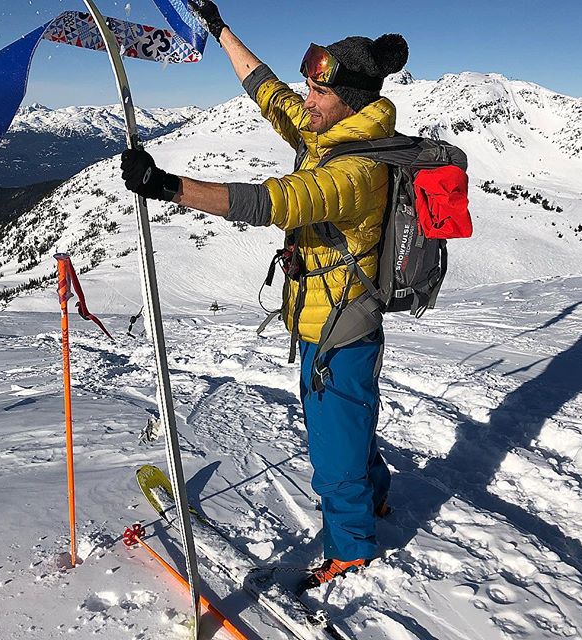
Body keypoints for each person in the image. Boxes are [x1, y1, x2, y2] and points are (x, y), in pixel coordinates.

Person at [121, 0, 408, 590]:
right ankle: (375, 498)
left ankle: (351, 549)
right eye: (309, 83)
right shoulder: (328, 129)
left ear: (347, 99)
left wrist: (164, 185)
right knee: (349, 427)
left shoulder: (352, 172)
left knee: (332, 452)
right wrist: (219, 28)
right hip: (326, 319)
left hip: (339, 329)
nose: (306, 96)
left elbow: (268, 202)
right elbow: (268, 91)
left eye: (318, 89)